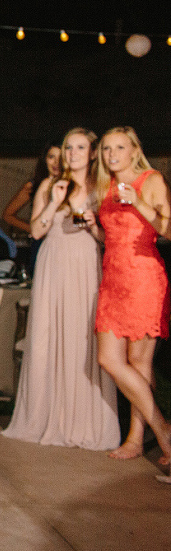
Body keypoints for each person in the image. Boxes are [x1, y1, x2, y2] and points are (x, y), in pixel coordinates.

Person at [3, 128, 119, 450]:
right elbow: (37, 231)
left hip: (85, 265)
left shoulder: (102, 187)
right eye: (69, 147)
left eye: (80, 147)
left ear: (93, 152)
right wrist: (54, 202)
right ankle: (44, 416)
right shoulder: (50, 185)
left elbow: (111, 241)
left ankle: (84, 419)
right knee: (47, 337)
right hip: (53, 265)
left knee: (81, 339)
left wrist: (95, 226)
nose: (73, 153)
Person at [93, 127, 171, 468]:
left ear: (133, 150)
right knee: (109, 360)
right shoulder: (104, 186)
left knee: (139, 364)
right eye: (107, 148)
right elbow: (111, 234)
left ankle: (137, 438)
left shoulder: (150, 180)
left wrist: (138, 202)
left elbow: (168, 229)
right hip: (112, 279)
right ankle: (164, 430)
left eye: (119, 148)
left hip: (143, 278)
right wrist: (89, 228)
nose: (111, 155)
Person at [2, 145, 62, 234]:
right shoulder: (33, 185)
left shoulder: (75, 185)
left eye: (61, 158)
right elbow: (8, 215)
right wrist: (33, 229)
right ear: (45, 160)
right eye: (51, 157)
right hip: (43, 241)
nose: (56, 162)